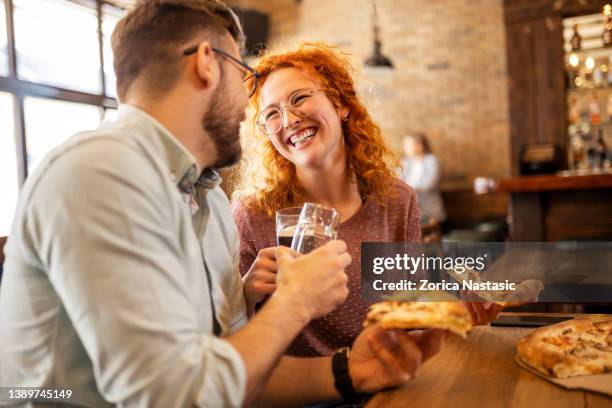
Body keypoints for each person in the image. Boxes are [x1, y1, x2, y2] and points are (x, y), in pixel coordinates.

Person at [0, 1, 445, 407]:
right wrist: (295, 302)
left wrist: (351, 371)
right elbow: (168, 396)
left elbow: (232, 370)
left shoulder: (207, 198)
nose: (251, 111)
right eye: (244, 75)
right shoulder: (99, 173)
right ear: (208, 65)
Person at [231, 43, 501, 358]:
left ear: (341, 104)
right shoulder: (252, 214)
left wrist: (454, 308)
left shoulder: (397, 200)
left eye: (300, 98)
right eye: (272, 114)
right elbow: (237, 351)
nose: (288, 119)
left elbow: (410, 305)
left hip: (387, 381)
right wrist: (246, 296)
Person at [400, 133, 446, 224]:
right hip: (409, 210)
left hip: (429, 210)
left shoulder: (432, 161)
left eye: (408, 145)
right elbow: (398, 182)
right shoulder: (405, 162)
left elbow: (429, 185)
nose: (404, 148)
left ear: (420, 146)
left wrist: (405, 189)